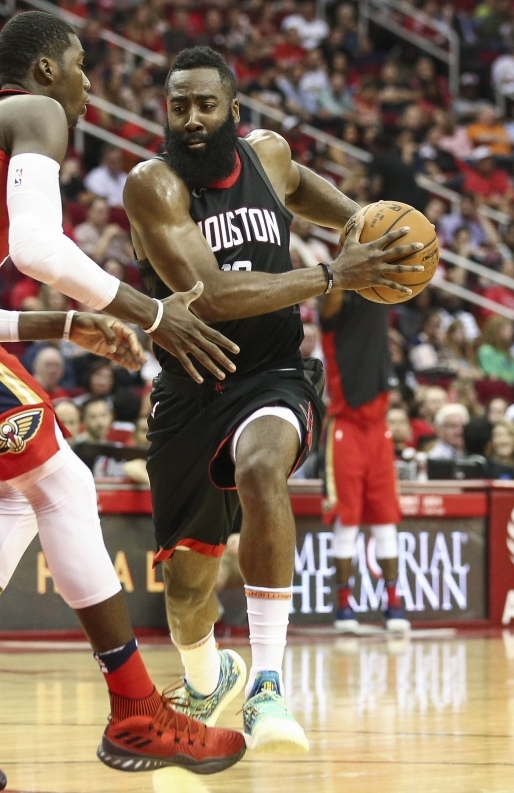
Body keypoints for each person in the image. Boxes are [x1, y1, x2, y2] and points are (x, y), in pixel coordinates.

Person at [0, 14, 250, 788]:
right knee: (67, 483)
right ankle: (134, 705)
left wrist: (67, 323)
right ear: (48, 70)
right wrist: (151, 311)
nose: (91, 82)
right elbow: (37, 250)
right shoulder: (36, 110)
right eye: (83, 65)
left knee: (29, 490)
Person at [122, 46, 422, 753]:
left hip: (273, 375)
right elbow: (216, 297)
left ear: (232, 108)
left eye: (204, 104)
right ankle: (206, 674)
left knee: (263, 470)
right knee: (189, 585)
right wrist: (330, 273)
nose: (190, 119)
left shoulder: (270, 156)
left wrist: (365, 228)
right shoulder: (152, 186)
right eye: (177, 105)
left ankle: (265, 684)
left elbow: (309, 192)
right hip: (192, 387)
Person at [320, 289, 409, 634]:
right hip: (347, 428)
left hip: (379, 429)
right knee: (347, 520)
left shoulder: (378, 296)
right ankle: (344, 606)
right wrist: (345, 265)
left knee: (386, 520)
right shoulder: (334, 311)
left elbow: (397, 274)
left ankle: (394, 603)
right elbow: (332, 298)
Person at [74, 195, 134, 264]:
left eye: (106, 212)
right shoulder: (81, 231)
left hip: (122, 267)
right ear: (90, 212)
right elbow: (95, 257)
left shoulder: (113, 229)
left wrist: (123, 239)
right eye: (100, 212)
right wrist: (107, 235)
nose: (104, 215)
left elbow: (133, 257)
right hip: (100, 268)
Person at [476, 316, 514, 385]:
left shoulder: (509, 352)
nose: (512, 333)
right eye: (509, 329)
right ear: (498, 331)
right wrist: (507, 377)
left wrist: (506, 377)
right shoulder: (485, 351)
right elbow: (492, 375)